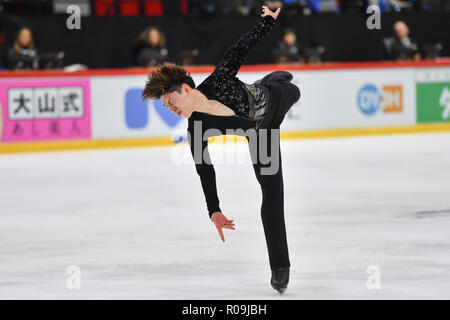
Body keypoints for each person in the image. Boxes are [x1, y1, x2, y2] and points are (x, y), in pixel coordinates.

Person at [141, 5, 300, 294]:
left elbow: (241, 47)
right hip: (260, 135)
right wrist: (214, 210)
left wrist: (266, 22)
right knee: (272, 195)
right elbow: (205, 169)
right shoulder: (196, 128)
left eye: (170, 101)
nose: (171, 109)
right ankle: (280, 269)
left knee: (290, 87)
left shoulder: (220, 79)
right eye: (166, 107)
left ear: (185, 89)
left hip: (273, 100)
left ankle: (272, 78)